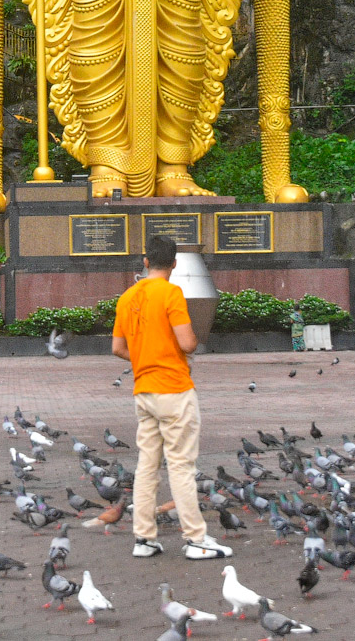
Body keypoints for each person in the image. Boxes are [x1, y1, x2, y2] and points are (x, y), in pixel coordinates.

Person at [111, 235, 229, 561]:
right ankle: (196, 539)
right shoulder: (172, 293)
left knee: (147, 467)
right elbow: (188, 342)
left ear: (145, 261)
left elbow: (118, 348)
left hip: (143, 391)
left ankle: (144, 539)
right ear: (174, 264)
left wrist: (146, 357)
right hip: (174, 389)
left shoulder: (127, 297)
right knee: (181, 467)